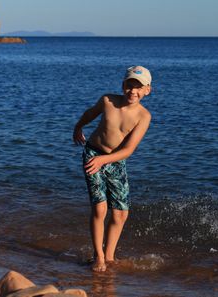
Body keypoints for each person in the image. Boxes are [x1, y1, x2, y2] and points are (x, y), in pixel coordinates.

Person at [73, 66, 152, 272]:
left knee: (120, 214)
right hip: (93, 155)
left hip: (115, 160)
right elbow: (90, 113)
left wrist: (106, 160)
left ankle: (109, 256)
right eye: (129, 85)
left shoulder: (144, 117)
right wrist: (78, 126)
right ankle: (98, 256)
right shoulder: (108, 101)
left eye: (138, 87)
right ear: (122, 85)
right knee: (100, 208)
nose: (133, 91)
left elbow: (128, 150)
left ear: (147, 90)